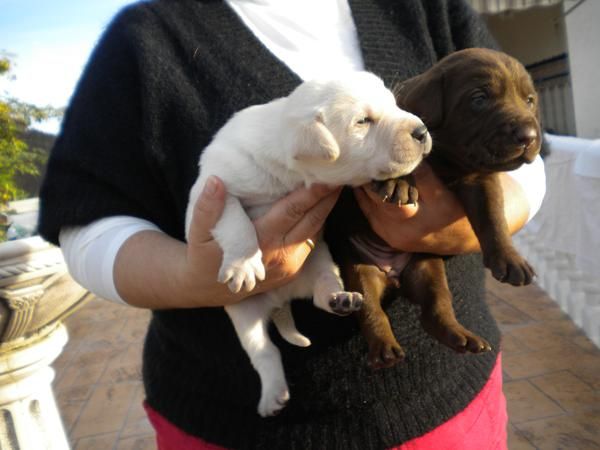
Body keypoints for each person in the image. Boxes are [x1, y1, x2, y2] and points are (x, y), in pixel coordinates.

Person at [38, 0, 546, 449]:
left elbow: (528, 157)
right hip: (237, 423)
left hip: (448, 400)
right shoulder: (145, 36)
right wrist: (194, 276)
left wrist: (478, 228)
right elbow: (86, 224)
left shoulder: (424, 6)